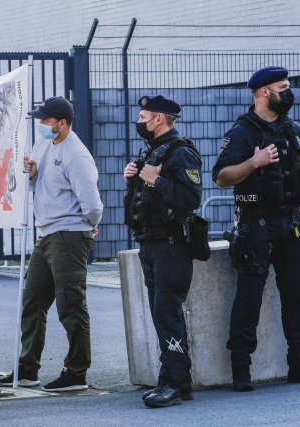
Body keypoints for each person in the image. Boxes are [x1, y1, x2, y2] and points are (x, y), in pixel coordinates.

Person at [212, 66, 300, 391]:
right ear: (265, 92)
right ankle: (241, 370)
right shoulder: (242, 133)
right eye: (284, 87)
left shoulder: (294, 129)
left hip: (290, 225)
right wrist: (255, 162)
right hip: (256, 225)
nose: (289, 92)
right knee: (248, 299)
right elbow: (221, 177)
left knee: (297, 295)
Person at [0, 96, 103, 392]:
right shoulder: (44, 144)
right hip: (47, 234)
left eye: (46, 120)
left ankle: (76, 372)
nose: (41, 125)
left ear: (62, 123)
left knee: (71, 304)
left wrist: (88, 226)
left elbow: (93, 204)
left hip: (69, 234)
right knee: (32, 301)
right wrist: (31, 173)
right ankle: (27, 369)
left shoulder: (77, 155)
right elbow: (38, 181)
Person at [123, 95, 202, 408]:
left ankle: (171, 383)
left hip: (172, 245)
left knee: (167, 312)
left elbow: (191, 197)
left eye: (144, 116)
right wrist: (133, 182)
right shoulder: (152, 152)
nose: (140, 121)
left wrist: (155, 181)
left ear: (158, 119)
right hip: (152, 243)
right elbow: (140, 205)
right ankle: (179, 380)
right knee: (162, 312)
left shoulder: (181, 153)